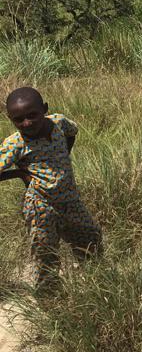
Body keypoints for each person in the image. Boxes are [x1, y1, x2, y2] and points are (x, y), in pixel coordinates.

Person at [0, 87, 102, 289]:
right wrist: (19, 173)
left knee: (90, 237)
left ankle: (95, 283)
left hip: (70, 199)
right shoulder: (15, 144)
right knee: (45, 252)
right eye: (19, 120)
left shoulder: (58, 122)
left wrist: (63, 156)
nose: (27, 123)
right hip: (40, 206)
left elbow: (72, 133)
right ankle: (49, 296)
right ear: (10, 119)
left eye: (32, 115)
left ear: (44, 109)